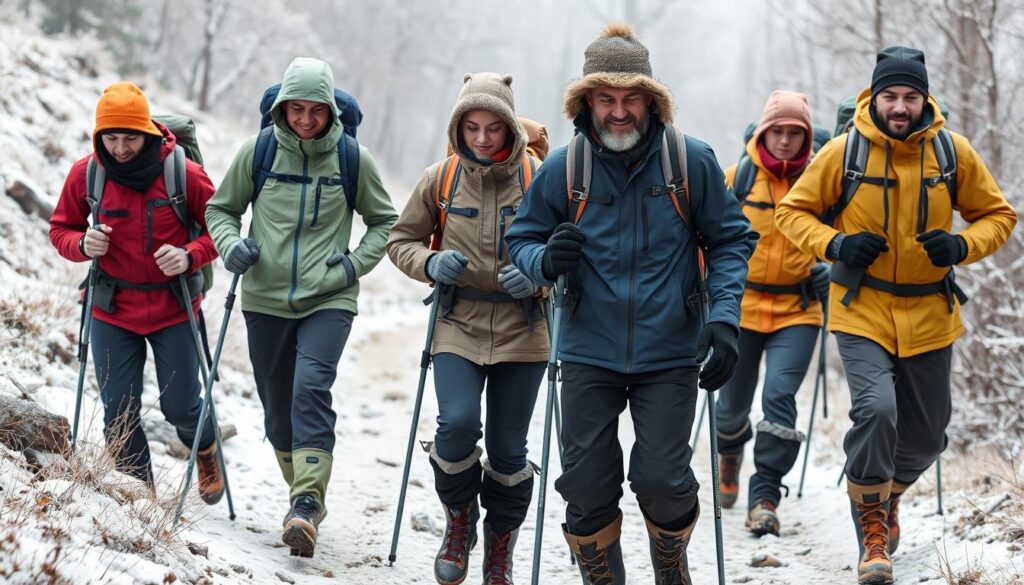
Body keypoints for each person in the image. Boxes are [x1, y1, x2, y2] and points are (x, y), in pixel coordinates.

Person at [505, 22, 757, 584]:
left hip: (670, 349)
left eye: (631, 98)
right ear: (586, 102)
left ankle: (670, 560)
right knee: (586, 482)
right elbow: (519, 239)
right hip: (588, 348)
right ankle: (604, 576)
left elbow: (732, 239)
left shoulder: (689, 163)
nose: (619, 112)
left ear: (651, 101)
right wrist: (545, 261)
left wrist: (723, 319)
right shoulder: (563, 168)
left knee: (663, 480)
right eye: (606, 98)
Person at [775, 46, 1017, 585]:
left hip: (931, 310)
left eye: (910, 96)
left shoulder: (952, 153)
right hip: (862, 307)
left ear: (924, 98)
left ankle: (890, 495)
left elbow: (999, 215)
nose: (900, 106)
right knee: (878, 411)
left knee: (930, 437)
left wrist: (961, 246)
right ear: (875, 97)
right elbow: (792, 213)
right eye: (890, 96)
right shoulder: (844, 152)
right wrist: (836, 244)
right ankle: (872, 530)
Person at [205, 57, 398, 557]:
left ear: (331, 110)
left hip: (328, 298)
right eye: (297, 109)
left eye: (316, 110)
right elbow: (220, 209)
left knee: (310, 387)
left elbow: (384, 223)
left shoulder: (353, 159)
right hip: (264, 299)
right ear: (283, 106)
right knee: (276, 407)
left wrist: (352, 267)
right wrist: (231, 247)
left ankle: (307, 503)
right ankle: (300, 493)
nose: (306, 119)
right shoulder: (259, 152)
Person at [387, 72, 549, 585]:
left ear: (509, 129)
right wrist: (430, 264)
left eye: (493, 128)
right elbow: (400, 241)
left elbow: (570, 253)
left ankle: (500, 545)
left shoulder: (539, 178)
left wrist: (539, 278)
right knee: (455, 426)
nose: (482, 138)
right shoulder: (441, 177)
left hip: (525, 329)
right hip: (457, 320)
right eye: (472, 127)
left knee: (508, 449)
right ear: (459, 127)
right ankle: (460, 521)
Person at [49, 81, 223, 500]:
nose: (122, 147)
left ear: (146, 131)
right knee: (118, 413)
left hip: (173, 306)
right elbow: (61, 229)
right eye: (112, 137)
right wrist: (81, 243)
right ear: (98, 136)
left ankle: (206, 448)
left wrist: (189, 255)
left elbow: (222, 228)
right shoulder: (86, 173)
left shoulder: (183, 173)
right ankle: (140, 497)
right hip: (112, 307)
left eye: (130, 137)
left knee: (181, 406)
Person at [715, 90, 829, 537]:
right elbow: (706, 239)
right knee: (730, 410)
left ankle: (764, 495)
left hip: (798, 311)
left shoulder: (823, 181)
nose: (785, 141)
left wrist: (830, 271)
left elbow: (846, 235)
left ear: (806, 137)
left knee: (779, 400)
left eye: (794, 133)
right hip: (741, 308)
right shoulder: (735, 180)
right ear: (763, 132)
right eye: (777, 131)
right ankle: (729, 453)